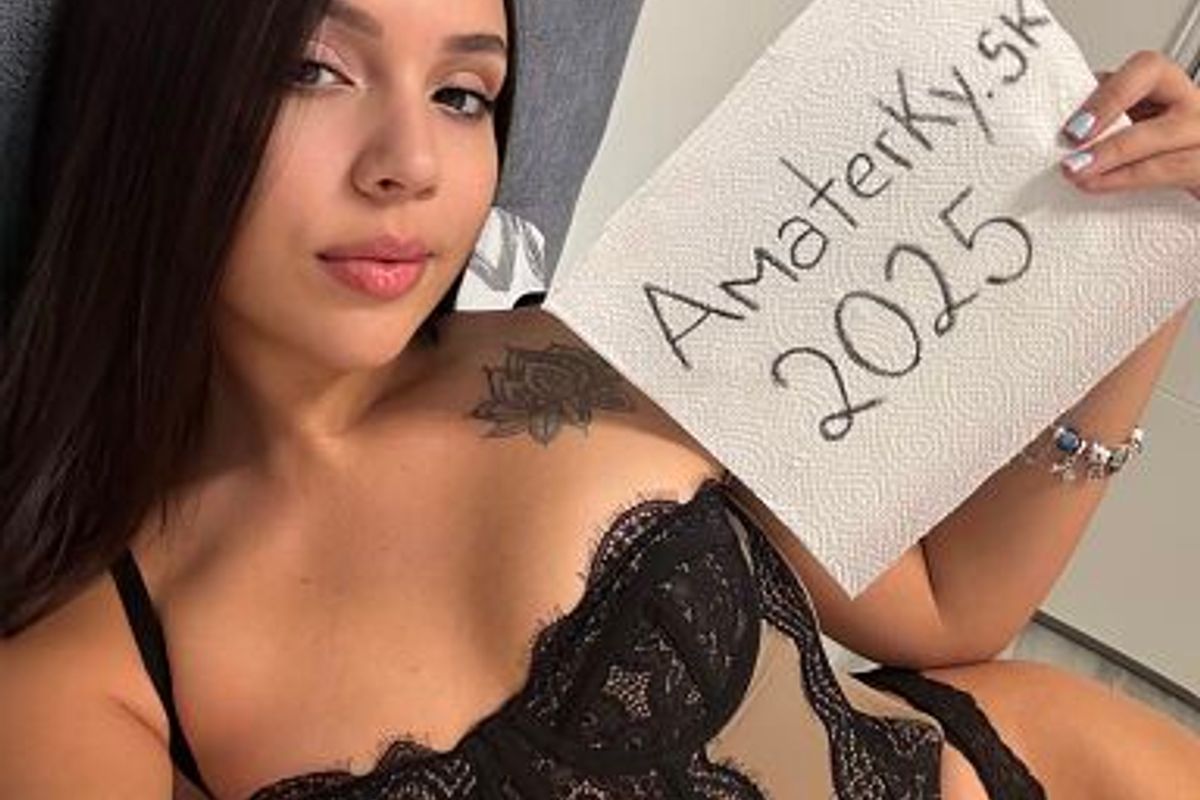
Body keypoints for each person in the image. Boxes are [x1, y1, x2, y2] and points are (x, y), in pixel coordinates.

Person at [1, 0, 1197, 797]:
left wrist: (1148, 252)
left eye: (463, 94)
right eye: (314, 69)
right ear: (155, 101)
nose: (409, 163)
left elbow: (947, 608)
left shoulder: (586, 353)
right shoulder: (90, 670)